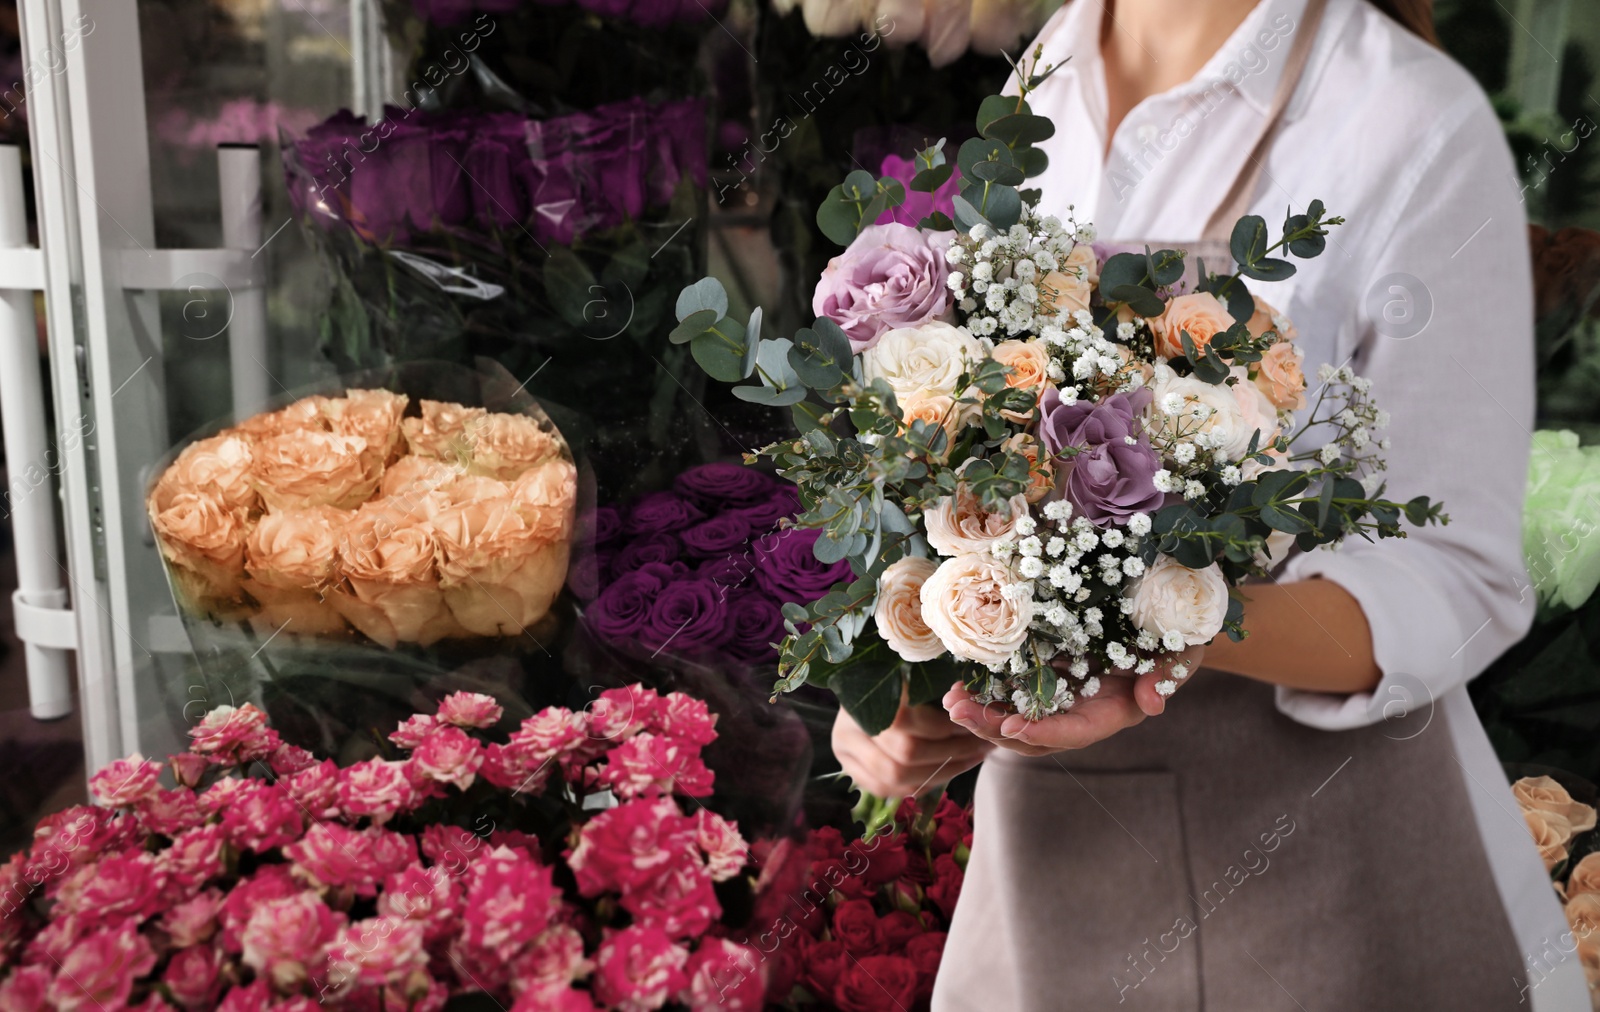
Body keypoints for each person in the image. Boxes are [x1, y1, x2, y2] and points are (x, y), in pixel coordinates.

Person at [831, 0, 1591, 1008]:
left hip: (1326, 873)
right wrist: (938, 679)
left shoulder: (1409, 119)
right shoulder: (1050, 67)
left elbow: (1456, 572)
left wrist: (1159, 632)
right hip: (1053, 866)